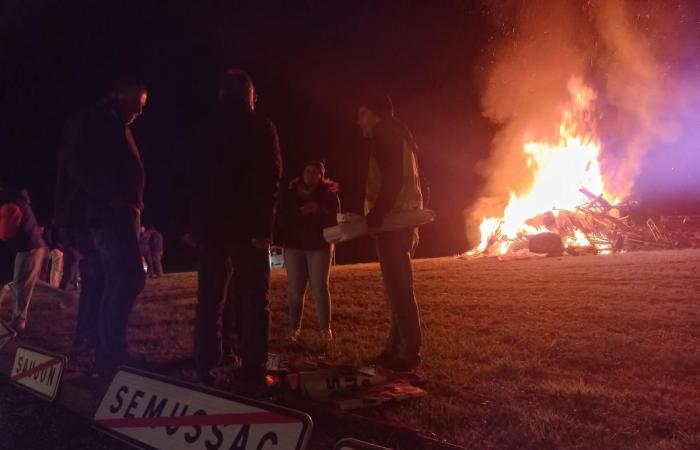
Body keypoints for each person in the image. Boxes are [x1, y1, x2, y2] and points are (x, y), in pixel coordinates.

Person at [188, 69, 282, 385]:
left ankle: (205, 362)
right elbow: (270, 180)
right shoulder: (260, 127)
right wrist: (264, 229)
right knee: (255, 299)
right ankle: (253, 368)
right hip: (246, 228)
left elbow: (190, 180)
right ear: (249, 95)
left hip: (212, 230)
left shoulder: (202, 127)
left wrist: (193, 225)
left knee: (210, 299)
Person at [54, 77, 148, 376]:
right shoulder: (96, 123)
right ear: (119, 95)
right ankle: (109, 352)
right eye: (136, 103)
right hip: (107, 214)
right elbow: (76, 165)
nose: (139, 111)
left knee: (111, 279)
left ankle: (104, 348)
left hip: (113, 212)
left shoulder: (111, 123)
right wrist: (112, 198)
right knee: (126, 277)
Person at [357, 93, 424, 371]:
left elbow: (392, 181)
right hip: (403, 219)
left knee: (398, 288)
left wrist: (374, 218)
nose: (358, 120)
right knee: (397, 288)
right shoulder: (401, 135)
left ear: (374, 114)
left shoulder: (385, 136)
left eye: (361, 113)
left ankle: (408, 351)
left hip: (393, 222)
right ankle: (396, 346)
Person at [274, 161, 340, 342]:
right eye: (307, 170)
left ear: (321, 175)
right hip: (294, 247)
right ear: (302, 173)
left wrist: (319, 210)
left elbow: (335, 220)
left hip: (319, 248)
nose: (310, 175)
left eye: (315, 172)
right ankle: (294, 329)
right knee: (296, 290)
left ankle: (325, 329)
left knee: (320, 288)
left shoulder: (328, 195)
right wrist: (299, 211)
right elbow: (281, 218)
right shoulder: (290, 194)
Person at [0, 185, 47, 332]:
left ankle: (18, 323)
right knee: (7, 281)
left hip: (29, 249)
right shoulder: (11, 200)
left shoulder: (12, 205)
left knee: (22, 287)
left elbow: (5, 233)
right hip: (18, 248)